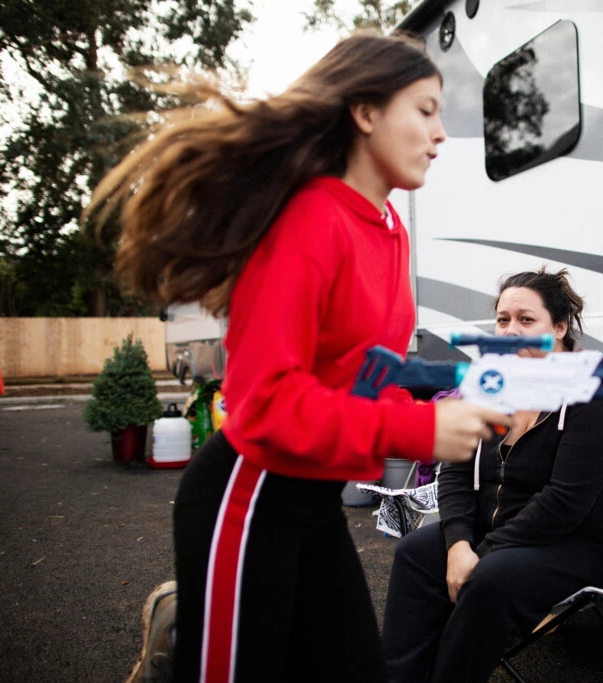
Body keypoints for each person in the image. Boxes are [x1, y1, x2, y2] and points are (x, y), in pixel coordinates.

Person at [85, 32, 511, 682]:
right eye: (425, 110)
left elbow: (371, 382)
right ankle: (187, 640)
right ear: (365, 112)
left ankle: (191, 626)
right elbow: (263, 403)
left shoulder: (391, 230)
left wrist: (460, 401)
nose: (441, 133)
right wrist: (420, 429)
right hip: (248, 496)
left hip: (316, 503)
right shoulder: (309, 219)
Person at [382, 267, 603, 683]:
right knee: (414, 553)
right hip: (499, 530)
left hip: (579, 543)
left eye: (526, 319)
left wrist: (479, 554)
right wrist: (458, 545)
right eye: (503, 320)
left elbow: (565, 502)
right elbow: (455, 475)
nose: (509, 331)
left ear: (558, 327)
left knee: (488, 577)